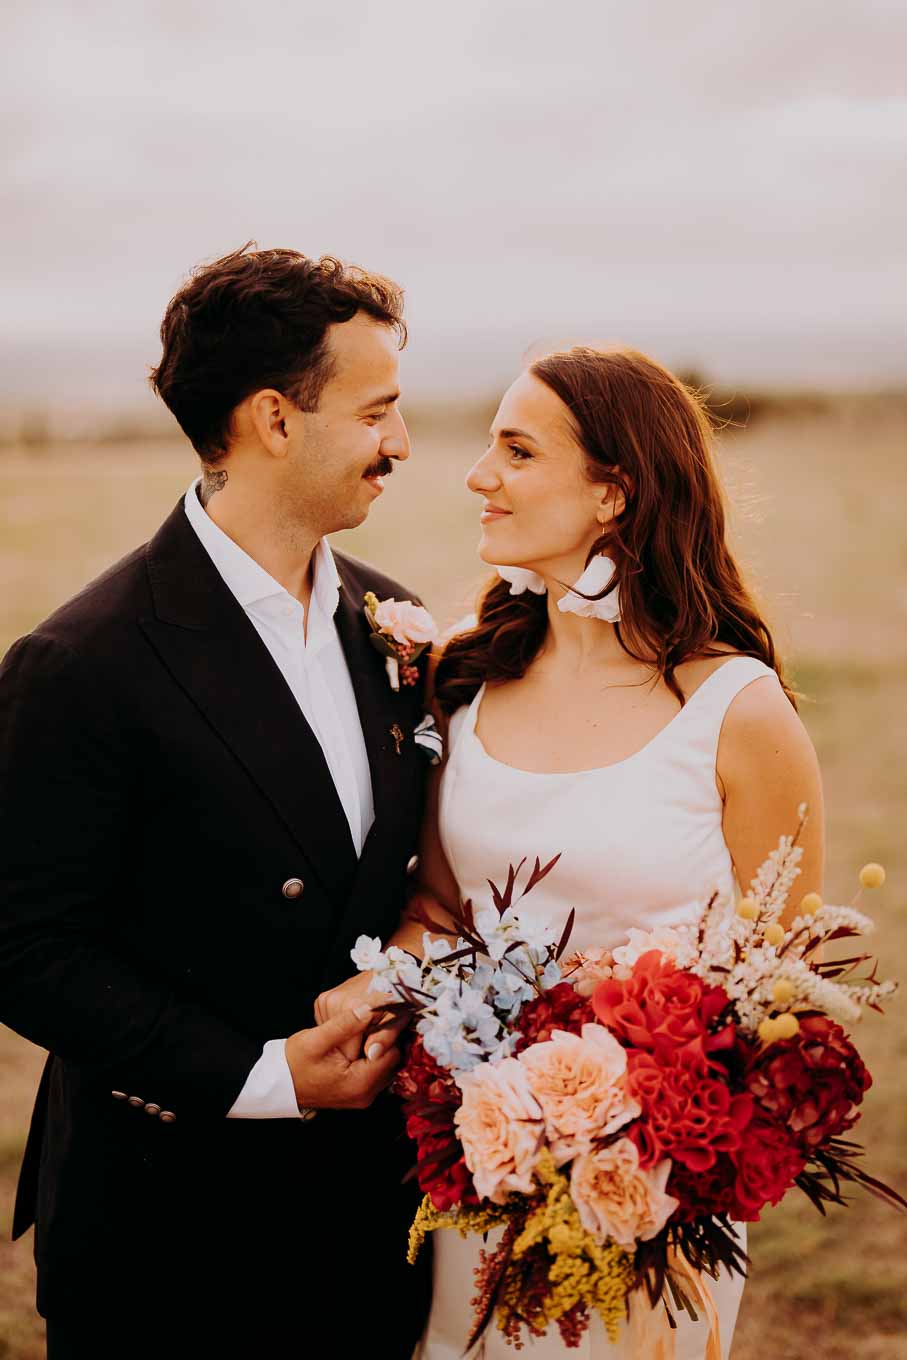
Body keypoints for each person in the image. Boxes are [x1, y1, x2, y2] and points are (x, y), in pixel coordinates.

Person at [0, 244, 435, 1357]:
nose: (400, 442)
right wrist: (262, 1075)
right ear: (273, 420)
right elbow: (25, 947)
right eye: (375, 411)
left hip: (370, 1223)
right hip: (167, 1236)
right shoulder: (83, 661)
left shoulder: (394, 623)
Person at [408, 346, 825, 1357]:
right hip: (479, 1162)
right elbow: (433, 908)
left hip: (654, 1197)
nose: (479, 475)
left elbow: (781, 988)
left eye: (517, 451)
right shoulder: (464, 676)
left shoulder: (736, 708)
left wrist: (638, 1122)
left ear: (613, 491)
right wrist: (448, 1055)